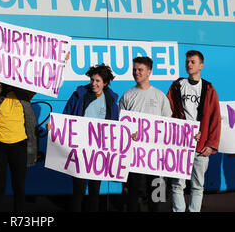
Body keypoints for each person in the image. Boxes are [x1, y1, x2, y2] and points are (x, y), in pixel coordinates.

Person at [47, 64, 119, 212]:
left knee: (94, 190)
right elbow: (66, 117)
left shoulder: (111, 100)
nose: (94, 83)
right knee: (78, 189)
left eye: (98, 81)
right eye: (92, 80)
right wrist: (54, 127)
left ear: (105, 83)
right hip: (79, 150)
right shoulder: (79, 95)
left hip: (98, 151)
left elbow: (115, 126)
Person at [167, 50, 221, 212]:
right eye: (187, 62)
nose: (189, 65)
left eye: (193, 62)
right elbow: (168, 111)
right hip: (180, 144)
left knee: (197, 186)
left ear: (201, 65)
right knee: (177, 184)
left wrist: (211, 144)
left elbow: (215, 118)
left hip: (200, 146)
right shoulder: (177, 85)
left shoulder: (209, 88)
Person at [118, 56, 172, 212]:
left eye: (140, 70)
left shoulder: (160, 96)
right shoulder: (127, 96)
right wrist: (129, 133)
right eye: (134, 69)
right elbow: (120, 125)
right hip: (134, 156)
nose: (136, 73)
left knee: (158, 196)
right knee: (135, 195)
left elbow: (169, 124)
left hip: (157, 157)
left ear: (149, 72)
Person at [0, 79, 38, 212]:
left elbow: (42, 80)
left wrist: (63, 60)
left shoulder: (24, 93)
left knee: (19, 186)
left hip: (19, 145)